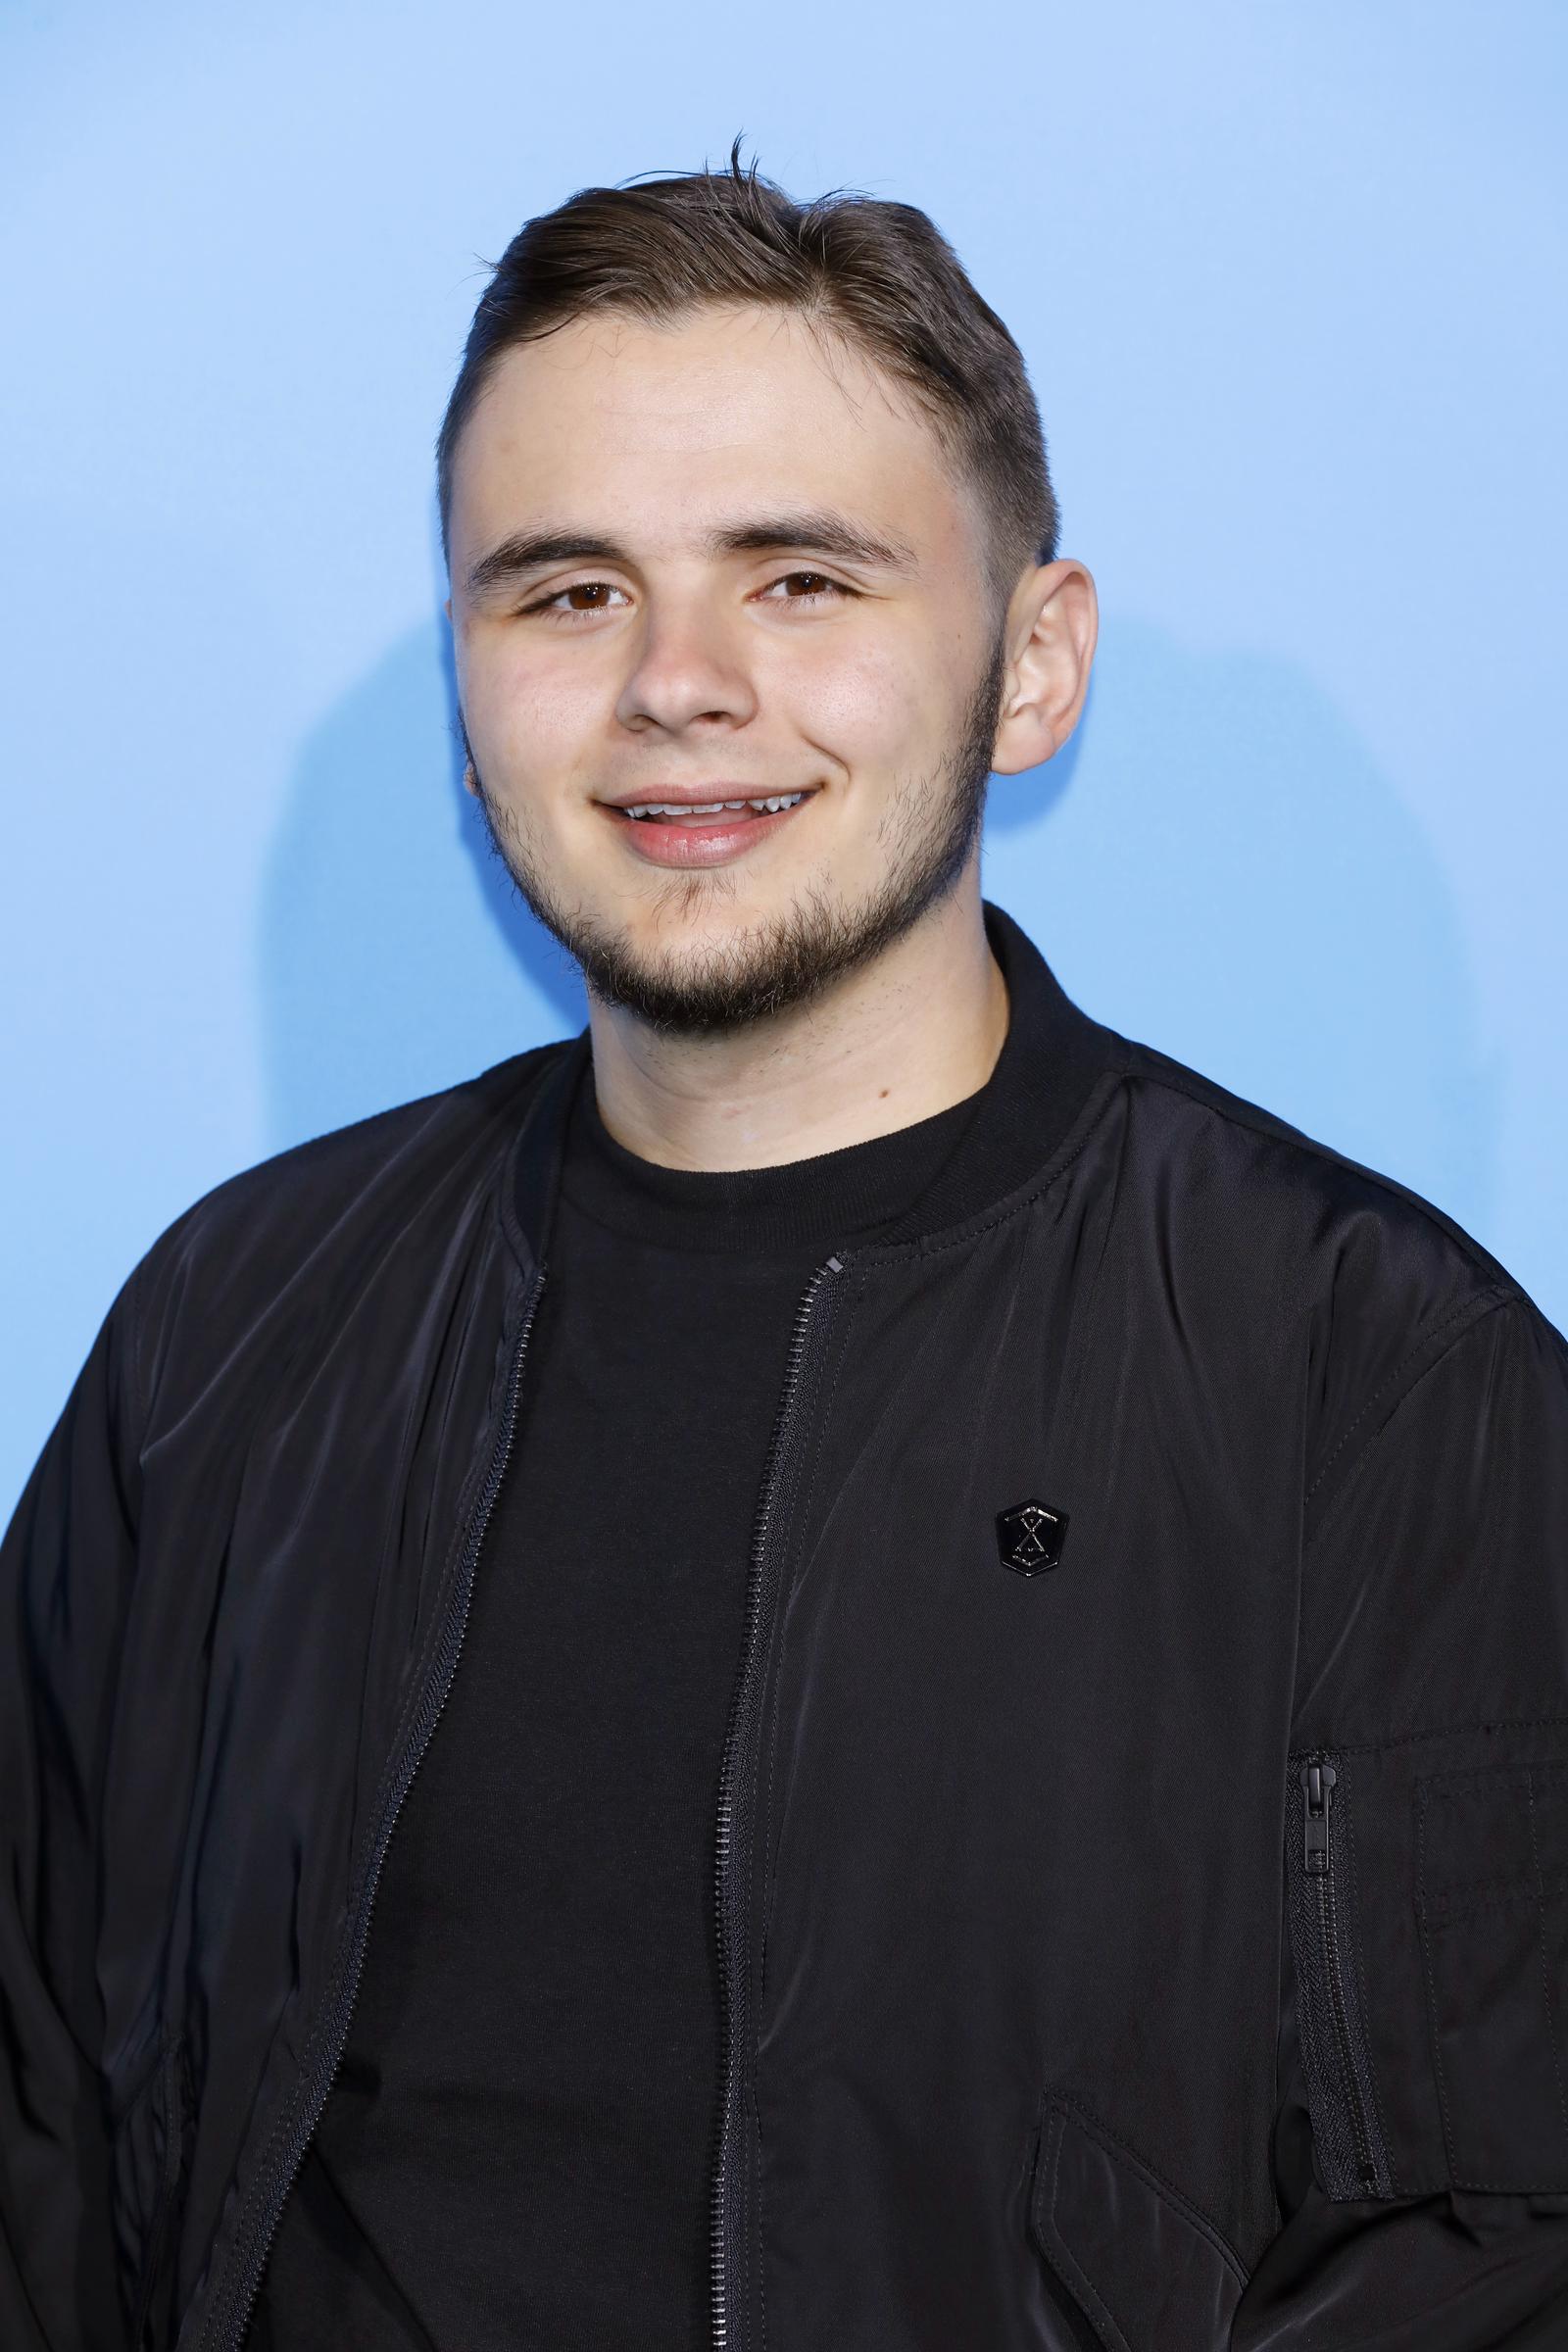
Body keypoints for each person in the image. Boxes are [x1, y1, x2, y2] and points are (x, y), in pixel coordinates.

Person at [4, 143, 1567, 2352]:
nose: (677, 684)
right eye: (565, 593)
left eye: (801, 581)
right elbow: (42, 2137)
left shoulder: (1376, 1377)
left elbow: (1491, 2250)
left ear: (1030, 669)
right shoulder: (229, 1330)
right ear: (467, 685)